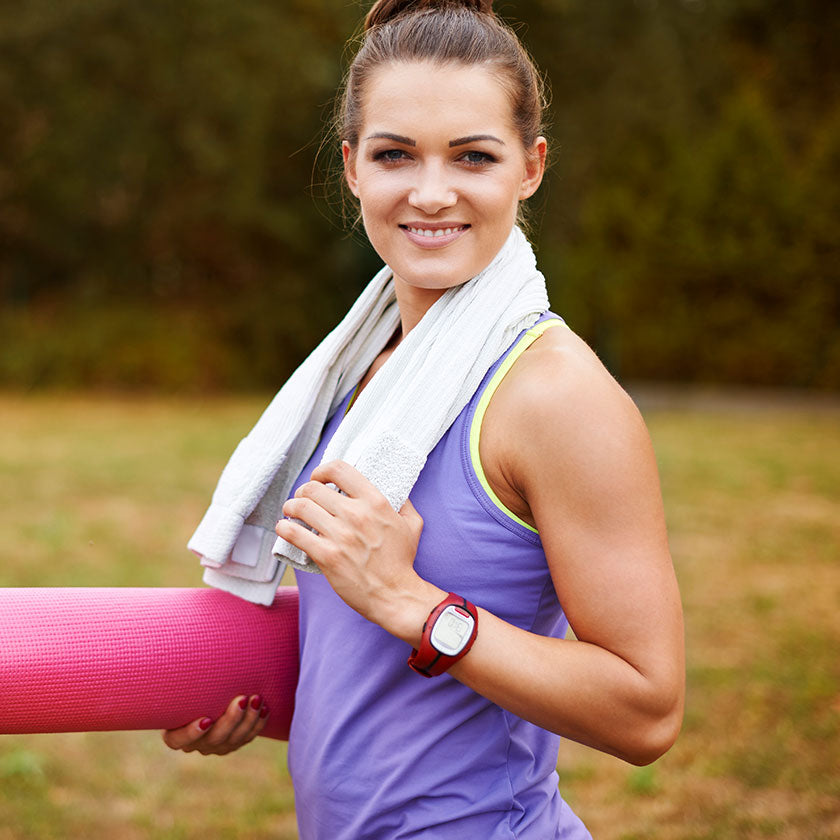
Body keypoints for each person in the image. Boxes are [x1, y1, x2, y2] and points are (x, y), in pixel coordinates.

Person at [163, 0, 685, 836]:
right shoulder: (361, 376)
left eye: (473, 156)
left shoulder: (556, 397)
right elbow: (366, 639)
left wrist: (412, 600)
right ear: (353, 167)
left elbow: (647, 712)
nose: (431, 193)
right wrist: (242, 690)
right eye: (396, 153)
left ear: (531, 166)